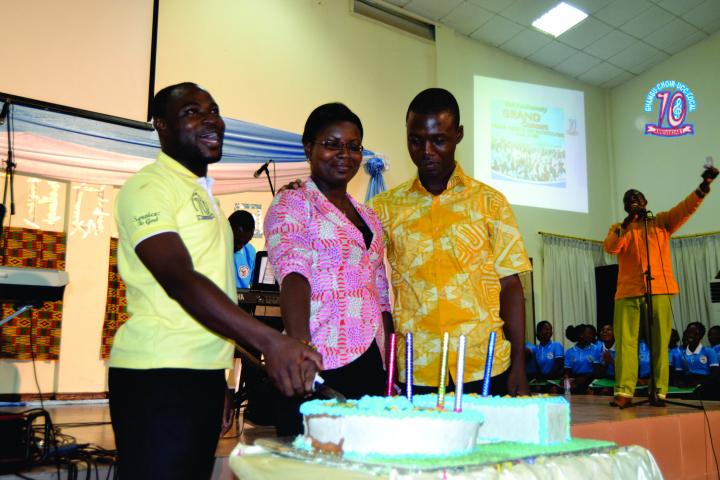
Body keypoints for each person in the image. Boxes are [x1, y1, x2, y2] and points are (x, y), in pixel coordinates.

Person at [109, 82, 322, 480]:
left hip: (200, 376)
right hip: (159, 375)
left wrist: (221, 379)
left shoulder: (203, 193)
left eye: (214, 109)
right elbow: (180, 280)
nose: (211, 119)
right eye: (192, 111)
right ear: (162, 126)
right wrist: (270, 341)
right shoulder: (148, 187)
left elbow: (216, 294)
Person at [369, 88, 531, 397]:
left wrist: (520, 364)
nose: (426, 150)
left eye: (439, 140)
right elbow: (378, 295)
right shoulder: (384, 208)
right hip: (417, 367)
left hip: (485, 364)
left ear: (458, 135)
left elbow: (510, 285)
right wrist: (388, 365)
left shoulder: (491, 203)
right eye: (416, 140)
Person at [264, 103, 393, 436]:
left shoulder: (370, 217)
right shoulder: (293, 202)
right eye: (332, 144)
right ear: (309, 147)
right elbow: (293, 275)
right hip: (317, 360)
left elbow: (380, 293)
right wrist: (299, 346)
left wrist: (389, 360)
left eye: (353, 147)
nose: (344, 154)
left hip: (370, 359)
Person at [604, 166, 718, 408]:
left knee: (659, 343)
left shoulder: (662, 222)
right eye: (629, 200)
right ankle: (624, 391)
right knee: (626, 344)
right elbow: (611, 247)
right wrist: (627, 223)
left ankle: (659, 392)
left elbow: (685, 209)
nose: (634, 200)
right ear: (626, 208)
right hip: (627, 293)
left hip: (660, 290)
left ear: (645, 202)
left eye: (637, 197)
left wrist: (703, 188)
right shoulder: (620, 227)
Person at [671, 322, 719, 398]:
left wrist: (699, 383)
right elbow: (678, 374)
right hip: (687, 385)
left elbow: (715, 373)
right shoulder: (680, 354)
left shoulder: (709, 351)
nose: (691, 335)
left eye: (695, 333)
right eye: (688, 332)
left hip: (705, 384)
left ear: (701, 336)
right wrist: (681, 384)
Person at [563, 325, 599, 393]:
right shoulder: (570, 351)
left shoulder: (596, 349)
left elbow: (597, 371)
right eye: (589, 333)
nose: (592, 336)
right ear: (581, 335)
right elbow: (567, 371)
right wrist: (566, 379)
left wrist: (585, 378)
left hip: (591, 379)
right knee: (571, 388)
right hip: (575, 379)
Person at [228, 210, 256, 289]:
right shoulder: (215, 250)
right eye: (237, 241)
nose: (240, 246)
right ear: (228, 230)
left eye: (246, 242)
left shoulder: (250, 251)